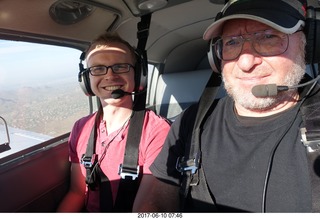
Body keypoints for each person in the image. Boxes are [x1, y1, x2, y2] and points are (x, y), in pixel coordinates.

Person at [133, 0, 320, 213]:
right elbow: (155, 207)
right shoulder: (190, 122)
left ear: (308, 44)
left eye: (268, 37)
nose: (246, 63)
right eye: (232, 42)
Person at [57, 32, 171, 212]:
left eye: (120, 66)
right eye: (98, 68)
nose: (110, 76)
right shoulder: (80, 128)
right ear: (87, 79)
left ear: (138, 74)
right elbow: (76, 193)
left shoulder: (157, 131)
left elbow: (146, 208)